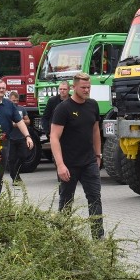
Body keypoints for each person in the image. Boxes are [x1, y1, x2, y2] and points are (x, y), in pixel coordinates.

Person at [50, 72, 104, 239]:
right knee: (66, 200)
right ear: (74, 87)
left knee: (95, 197)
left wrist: (98, 154)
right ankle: (63, 235)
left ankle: (98, 236)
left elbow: (95, 130)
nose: (87, 90)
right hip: (69, 164)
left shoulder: (93, 105)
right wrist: (60, 164)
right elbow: (53, 137)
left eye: (88, 87)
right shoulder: (63, 108)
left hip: (89, 162)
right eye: (83, 87)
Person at [7, 91, 30, 185]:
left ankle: (16, 173)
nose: (15, 102)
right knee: (11, 159)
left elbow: (27, 120)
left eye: (17, 100)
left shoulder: (22, 109)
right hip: (11, 137)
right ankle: (15, 177)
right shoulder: (7, 109)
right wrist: (18, 124)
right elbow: (9, 123)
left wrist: (20, 123)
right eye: (13, 100)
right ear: (9, 100)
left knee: (24, 156)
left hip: (21, 137)